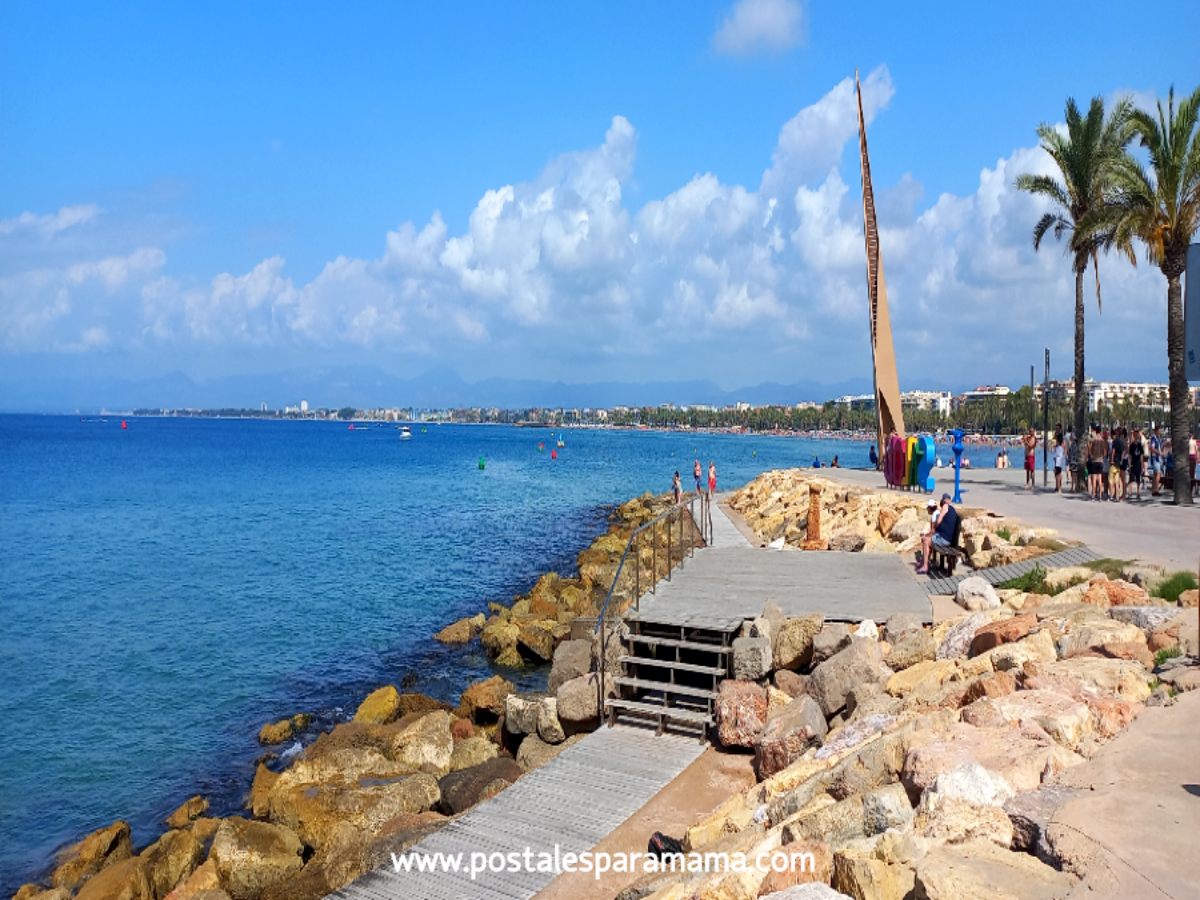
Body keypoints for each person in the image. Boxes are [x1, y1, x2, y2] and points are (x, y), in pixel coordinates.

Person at [917, 494, 959, 575]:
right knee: (929, 539)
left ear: (943, 501)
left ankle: (925, 566)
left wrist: (935, 527)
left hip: (944, 539)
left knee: (926, 541)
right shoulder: (952, 509)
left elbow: (939, 521)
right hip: (947, 538)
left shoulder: (945, 507)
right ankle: (925, 563)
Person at [1087, 425, 1107, 500]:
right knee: (1100, 478)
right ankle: (1100, 496)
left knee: (1094, 479)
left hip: (1094, 460)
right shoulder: (1102, 440)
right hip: (1100, 461)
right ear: (1100, 431)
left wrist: (1091, 455)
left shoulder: (1093, 440)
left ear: (1096, 431)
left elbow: (1089, 447)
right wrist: (1102, 456)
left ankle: (1093, 495)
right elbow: (1105, 452)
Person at [1129, 428, 1145, 500]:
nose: (1136, 436)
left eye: (1137, 434)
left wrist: (1142, 466)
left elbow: (1141, 456)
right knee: (1131, 479)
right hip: (1133, 463)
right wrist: (1129, 464)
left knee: (1138, 479)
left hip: (1138, 464)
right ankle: (1130, 492)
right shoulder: (1131, 445)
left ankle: (1138, 493)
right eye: (1135, 434)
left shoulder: (1140, 445)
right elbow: (1130, 456)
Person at [1148, 425, 1163, 496]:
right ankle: (1156, 490)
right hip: (1155, 458)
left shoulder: (1158, 438)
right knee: (1158, 474)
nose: (1160, 432)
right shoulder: (1154, 438)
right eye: (1159, 430)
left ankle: (1153, 489)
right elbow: (1152, 448)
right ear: (1156, 431)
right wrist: (1159, 452)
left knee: (1155, 474)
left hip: (1157, 458)